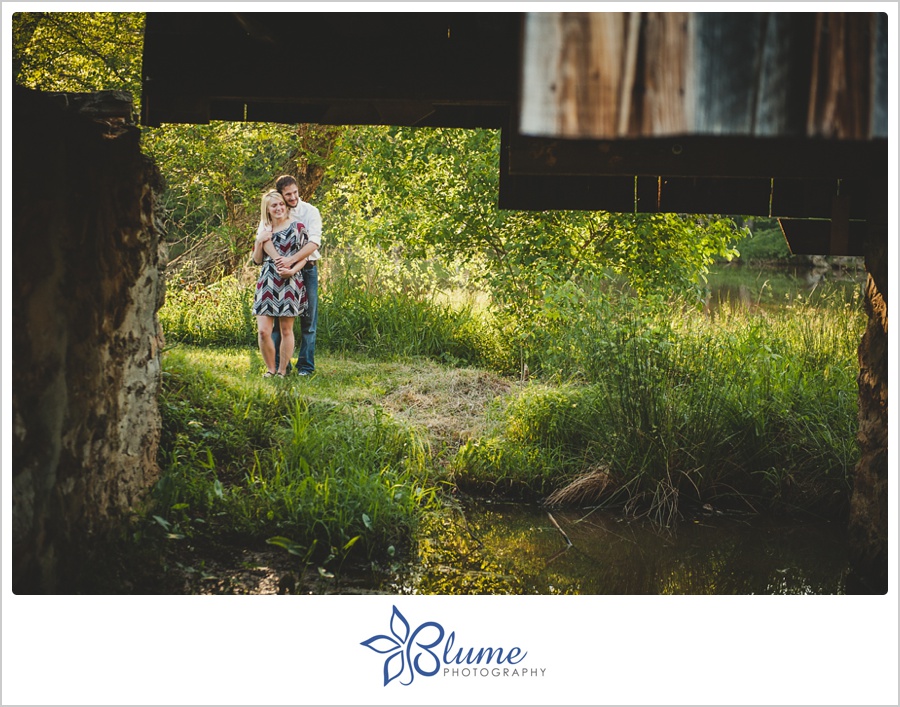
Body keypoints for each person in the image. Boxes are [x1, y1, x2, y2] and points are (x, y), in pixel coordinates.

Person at [257, 175, 322, 376]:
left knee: (308, 320)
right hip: (276, 273)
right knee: (277, 323)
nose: (293, 197)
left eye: (295, 192)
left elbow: (313, 243)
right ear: (281, 196)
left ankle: (305, 366)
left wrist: (291, 262)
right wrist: (278, 260)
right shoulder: (274, 212)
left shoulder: (310, 211)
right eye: (288, 195)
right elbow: (262, 241)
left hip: (306, 268)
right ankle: (278, 367)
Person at [251, 190, 310, 377]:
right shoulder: (265, 230)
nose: (278, 208)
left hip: (290, 279)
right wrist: (260, 241)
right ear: (267, 209)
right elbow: (257, 260)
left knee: (286, 329)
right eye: (274, 205)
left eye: (281, 204)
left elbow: (305, 257)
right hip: (267, 280)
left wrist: (292, 270)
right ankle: (270, 368)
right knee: (263, 331)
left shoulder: (297, 227)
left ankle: (283, 371)